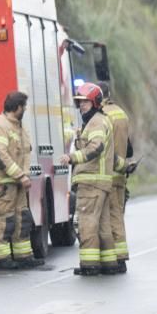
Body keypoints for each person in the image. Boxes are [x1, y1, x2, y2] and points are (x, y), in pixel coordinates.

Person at [61, 82, 118, 276]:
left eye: (85, 102)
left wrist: (73, 157)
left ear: (95, 102)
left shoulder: (95, 122)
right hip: (100, 183)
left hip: (91, 182)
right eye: (79, 102)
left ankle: (90, 265)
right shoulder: (100, 120)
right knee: (102, 226)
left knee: (87, 224)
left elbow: (96, 146)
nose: (82, 106)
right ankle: (109, 263)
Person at [0, 91, 42, 270]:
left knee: (22, 218)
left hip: (18, 183)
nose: (25, 109)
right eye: (24, 106)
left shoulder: (18, 126)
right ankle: (2, 258)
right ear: (17, 107)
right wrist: (20, 175)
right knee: (5, 220)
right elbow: (1, 155)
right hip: (4, 183)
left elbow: (25, 150)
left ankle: (23, 255)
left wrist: (23, 176)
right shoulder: (0, 126)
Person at [99, 81, 134, 273]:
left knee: (110, 218)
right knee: (117, 216)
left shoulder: (102, 116)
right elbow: (129, 148)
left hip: (106, 173)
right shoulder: (121, 113)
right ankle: (119, 257)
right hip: (120, 174)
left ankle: (116, 259)